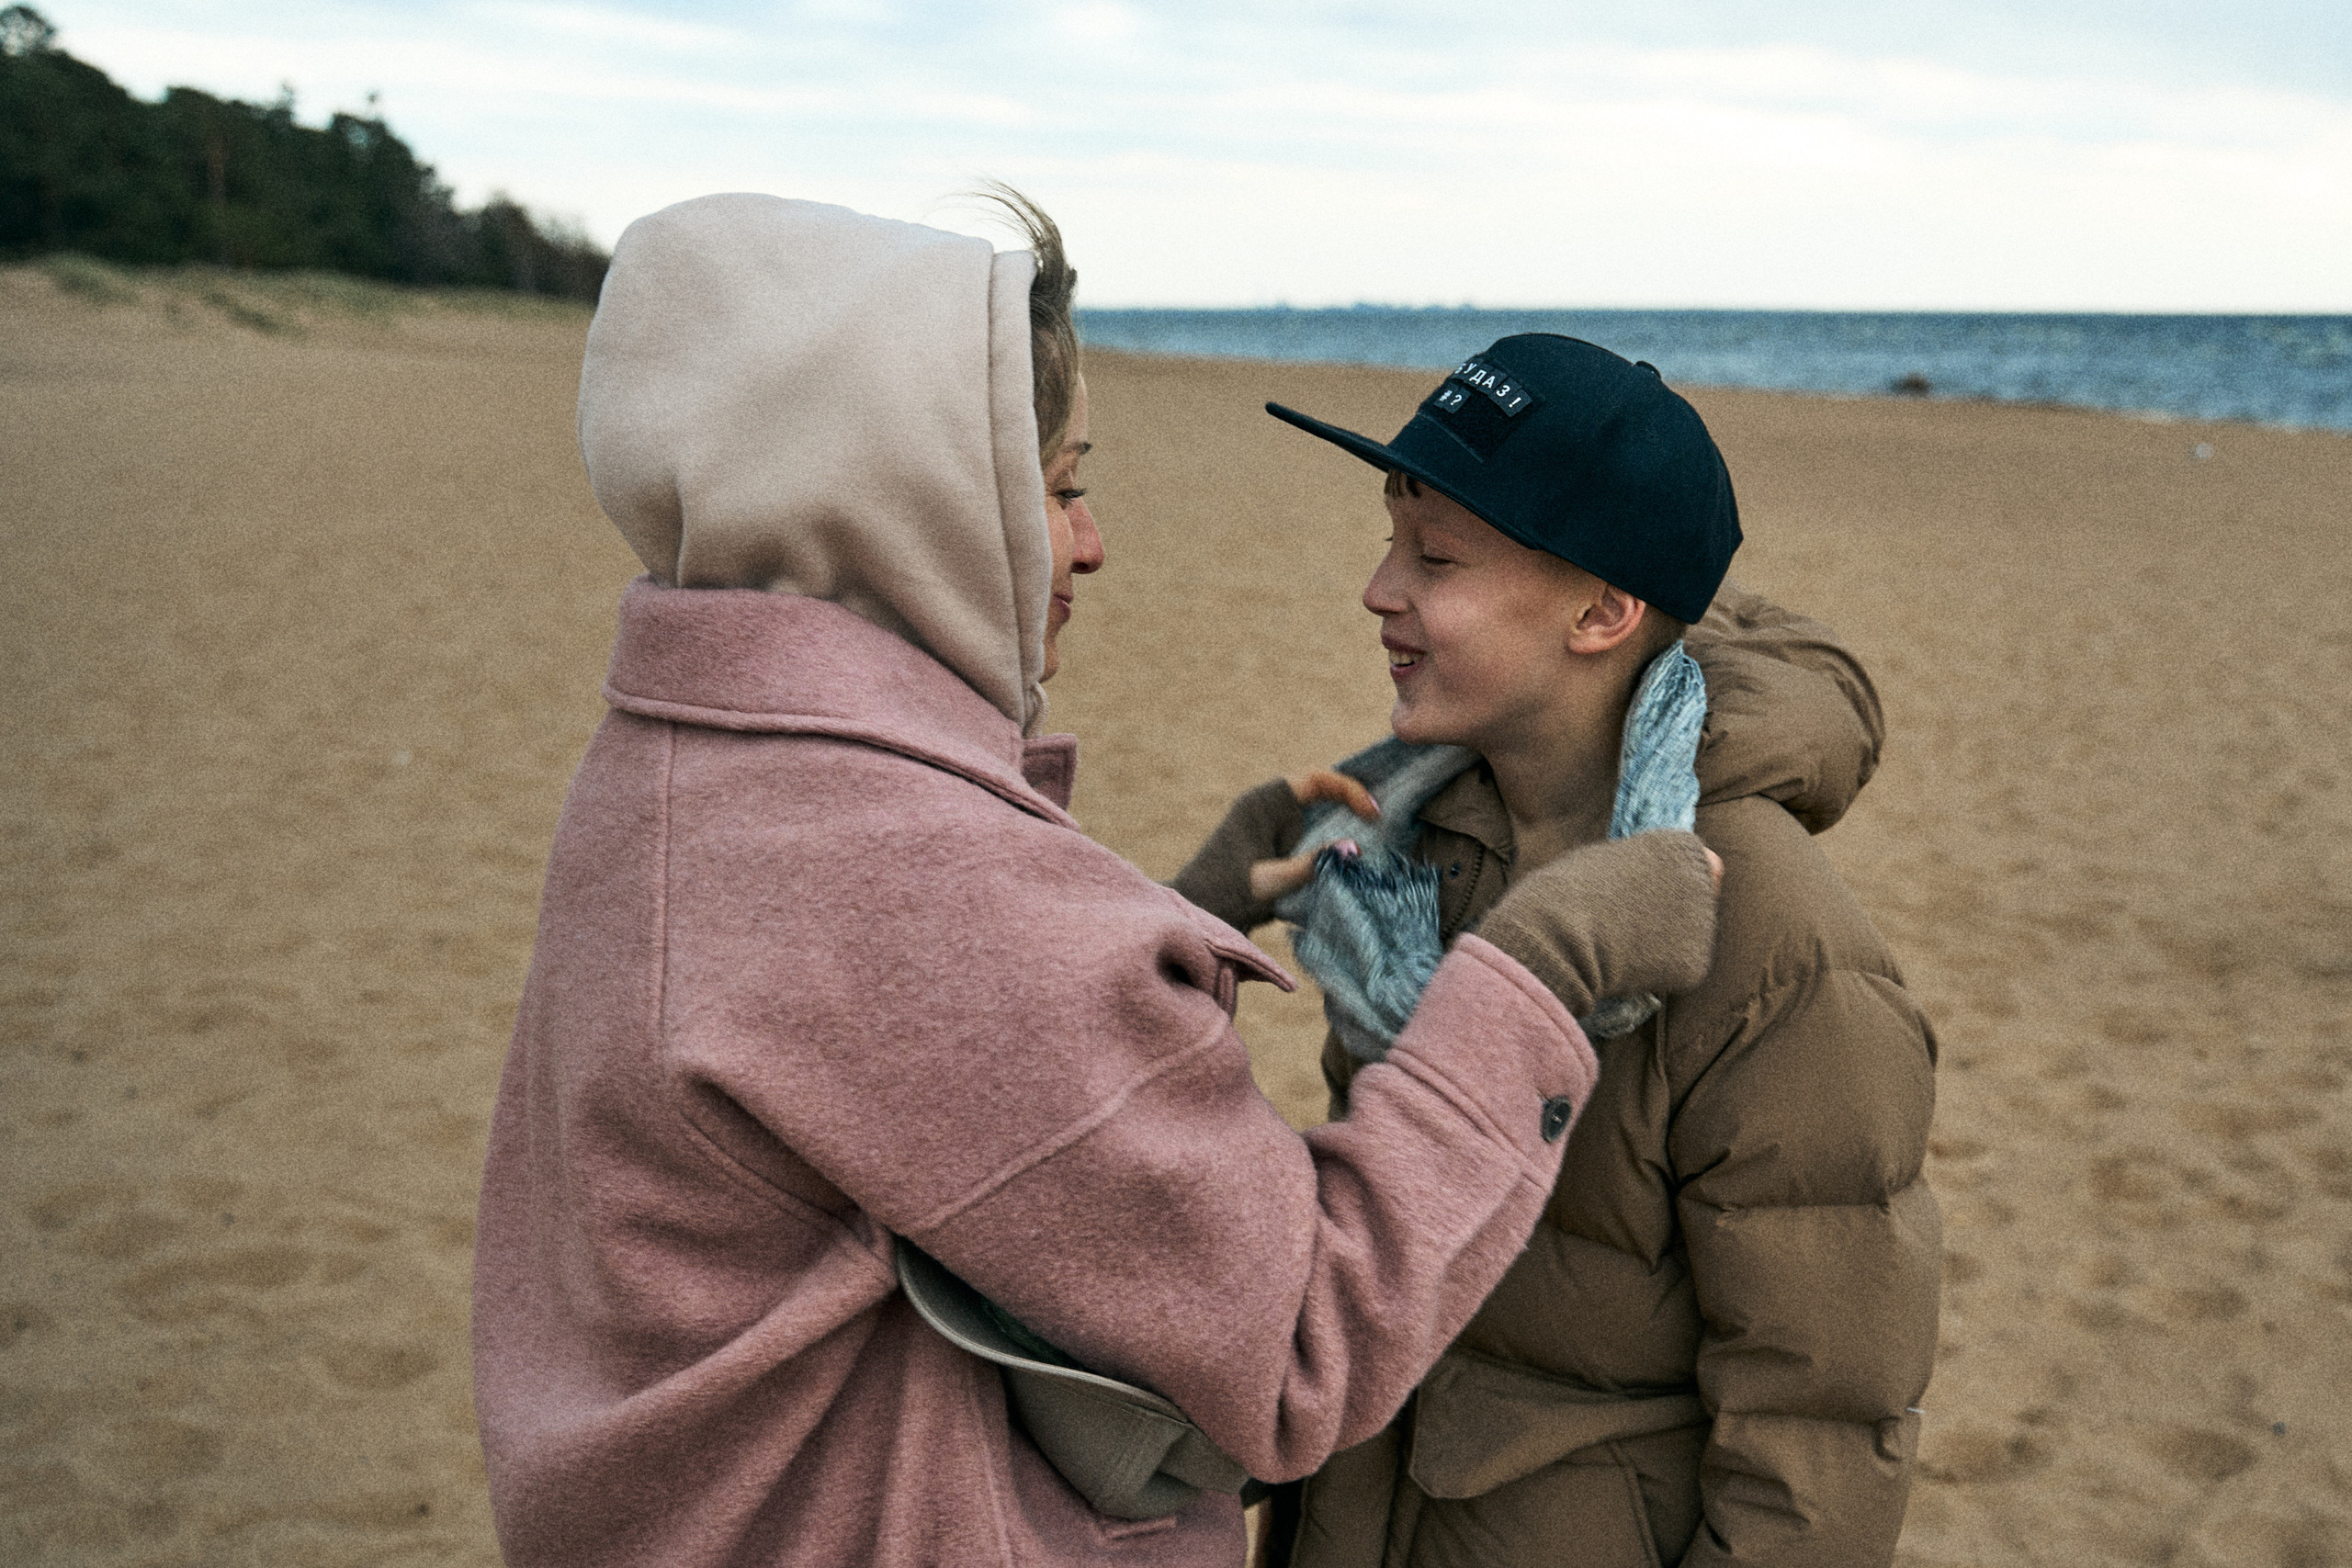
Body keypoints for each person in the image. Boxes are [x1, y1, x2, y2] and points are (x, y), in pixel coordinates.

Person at [469, 196, 1724, 1568]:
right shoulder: (908, 878)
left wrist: (1161, 922)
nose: (1093, 541)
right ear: (918, 501)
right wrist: (1536, 973)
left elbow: (972, 1117)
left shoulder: (681, 761)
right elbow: (1303, 1338)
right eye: (1062, 485)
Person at [1173, 336, 1940, 1567]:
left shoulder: (1773, 937)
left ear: (1601, 609)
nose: (1380, 589)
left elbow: (1822, 1429)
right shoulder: (1411, 850)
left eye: (1436, 558)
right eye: (1389, 539)